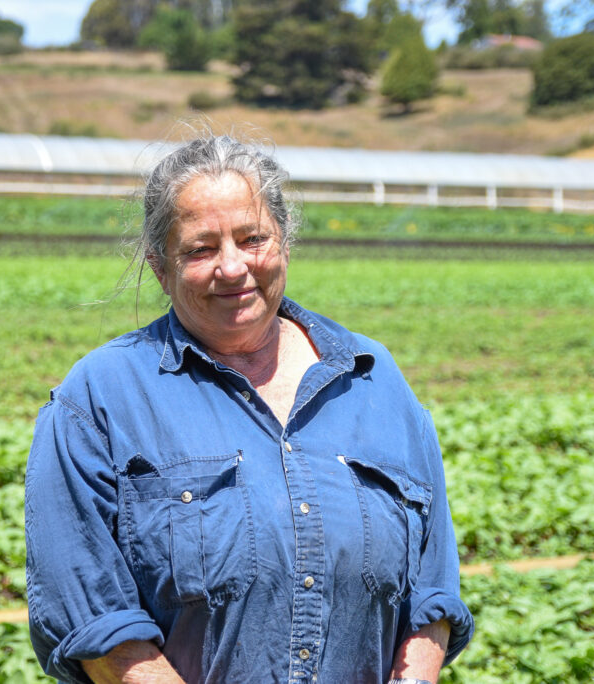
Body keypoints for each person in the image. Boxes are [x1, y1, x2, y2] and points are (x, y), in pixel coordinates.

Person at [25, 133, 474, 684]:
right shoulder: (99, 397)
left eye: (252, 238)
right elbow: (93, 619)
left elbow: (433, 586)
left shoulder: (373, 378)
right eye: (200, 249)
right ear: (160, 268)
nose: (232, 267)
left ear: (284, 242)